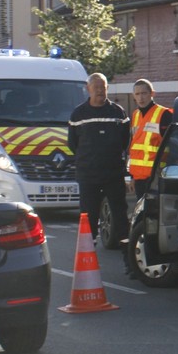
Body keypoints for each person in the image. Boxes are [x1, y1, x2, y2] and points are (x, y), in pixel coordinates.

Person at [68, 73, 131, 249]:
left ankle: (124, 247)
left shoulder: (118, 112)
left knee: (119, 211)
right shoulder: (78, 114)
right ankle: (89, 246)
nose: (99, 91)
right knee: (88, 213)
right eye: (95, 87)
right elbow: (73, 144)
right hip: (88, 174)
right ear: (88, 89)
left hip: (113, 173)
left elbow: (125, 141)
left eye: (102, 87)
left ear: (107, 89)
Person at [128, 79, 173, 198]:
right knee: (142, 214)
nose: (141, 98)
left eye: (144, 93)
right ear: (134, 96)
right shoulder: (135, 115)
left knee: (155, 213)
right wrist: (132, 177)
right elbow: (134, 147)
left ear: (152, 93)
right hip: (139, 178)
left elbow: (173, 146)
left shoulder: (164, 114)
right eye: (137, 94)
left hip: (156, 176)